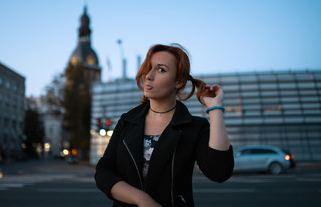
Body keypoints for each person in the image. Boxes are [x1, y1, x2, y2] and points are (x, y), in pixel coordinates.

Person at [95, 43, 234, 207]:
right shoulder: (127, 122)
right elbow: (104, 172)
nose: (149, 76)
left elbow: (219, 172)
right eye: (149, 67)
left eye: (161, 70)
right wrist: (142, 200)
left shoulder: (194, 127)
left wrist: (214, 108)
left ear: (179, 82)